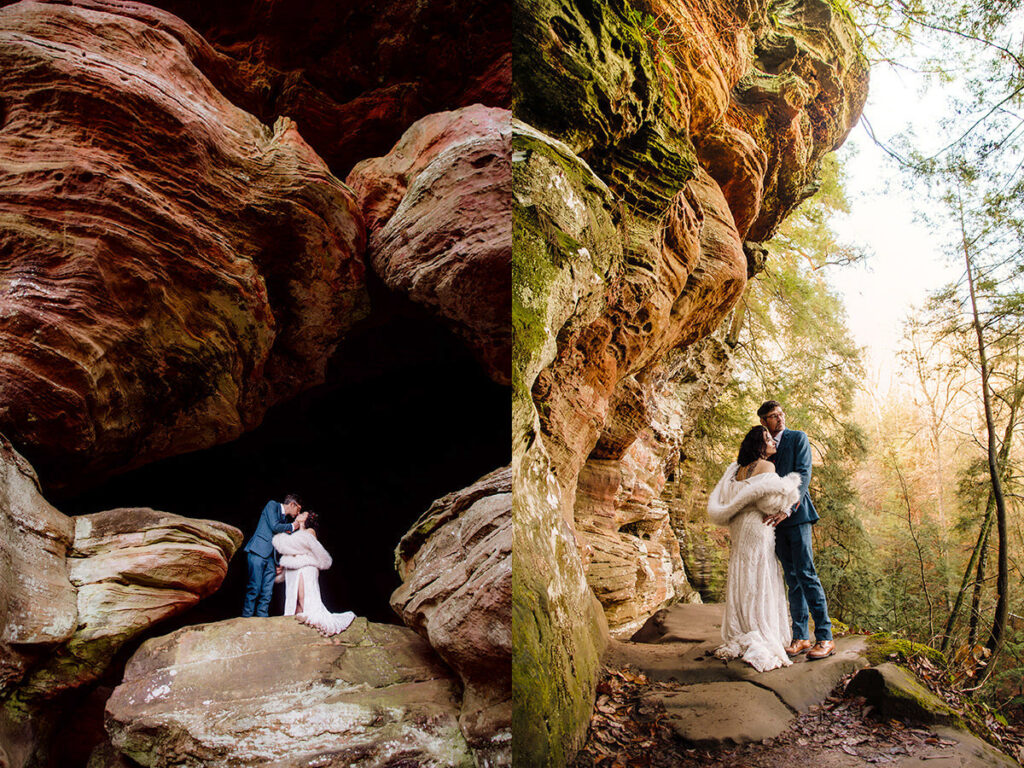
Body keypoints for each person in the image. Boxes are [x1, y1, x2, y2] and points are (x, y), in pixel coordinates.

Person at [708, 425, 802, 671]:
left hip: (738, 527)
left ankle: (741, 627)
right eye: (768, 439)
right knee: (760, 574)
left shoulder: (736, 470)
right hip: (758, 527)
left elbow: (729, 498)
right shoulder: (767, 466)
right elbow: (770, 504)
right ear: (758, 445)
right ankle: (759, 628)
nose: (773, 442)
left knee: (742, 573)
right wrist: (789, 493)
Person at [758, 400, 834, 660]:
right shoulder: (764, 447)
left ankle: (825, 637)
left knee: (806, 574)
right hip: (773, 522)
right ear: (763, 421)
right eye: (773, 416)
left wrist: (788, 508)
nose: (779, 418)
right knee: (792, 578)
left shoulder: (798, 438)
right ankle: (800, 637)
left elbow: (803, 475)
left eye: (781, 414)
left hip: (797, 515)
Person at [273, 511, 355, 636]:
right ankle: (301, 624)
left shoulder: (310, 532)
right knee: (294, 600)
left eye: (303, 513)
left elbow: (294, 547)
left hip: (306, 568)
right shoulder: (297, 534)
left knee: (304, 597)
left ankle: (313, 619)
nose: (299, 513)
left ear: (307, 518)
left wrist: (282, 543)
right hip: (294, 570)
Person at [242, 493, 306, 618]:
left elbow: (283, 538)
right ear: (292, 504)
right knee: (254, 588)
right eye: (298, 509)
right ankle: (246, 618)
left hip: (271, 558)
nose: (298, 513)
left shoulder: (284, 520)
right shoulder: (272, 505)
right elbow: (274, 526)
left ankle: (262, 618)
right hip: (258, 552)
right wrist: (294, 525)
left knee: (267, 591)